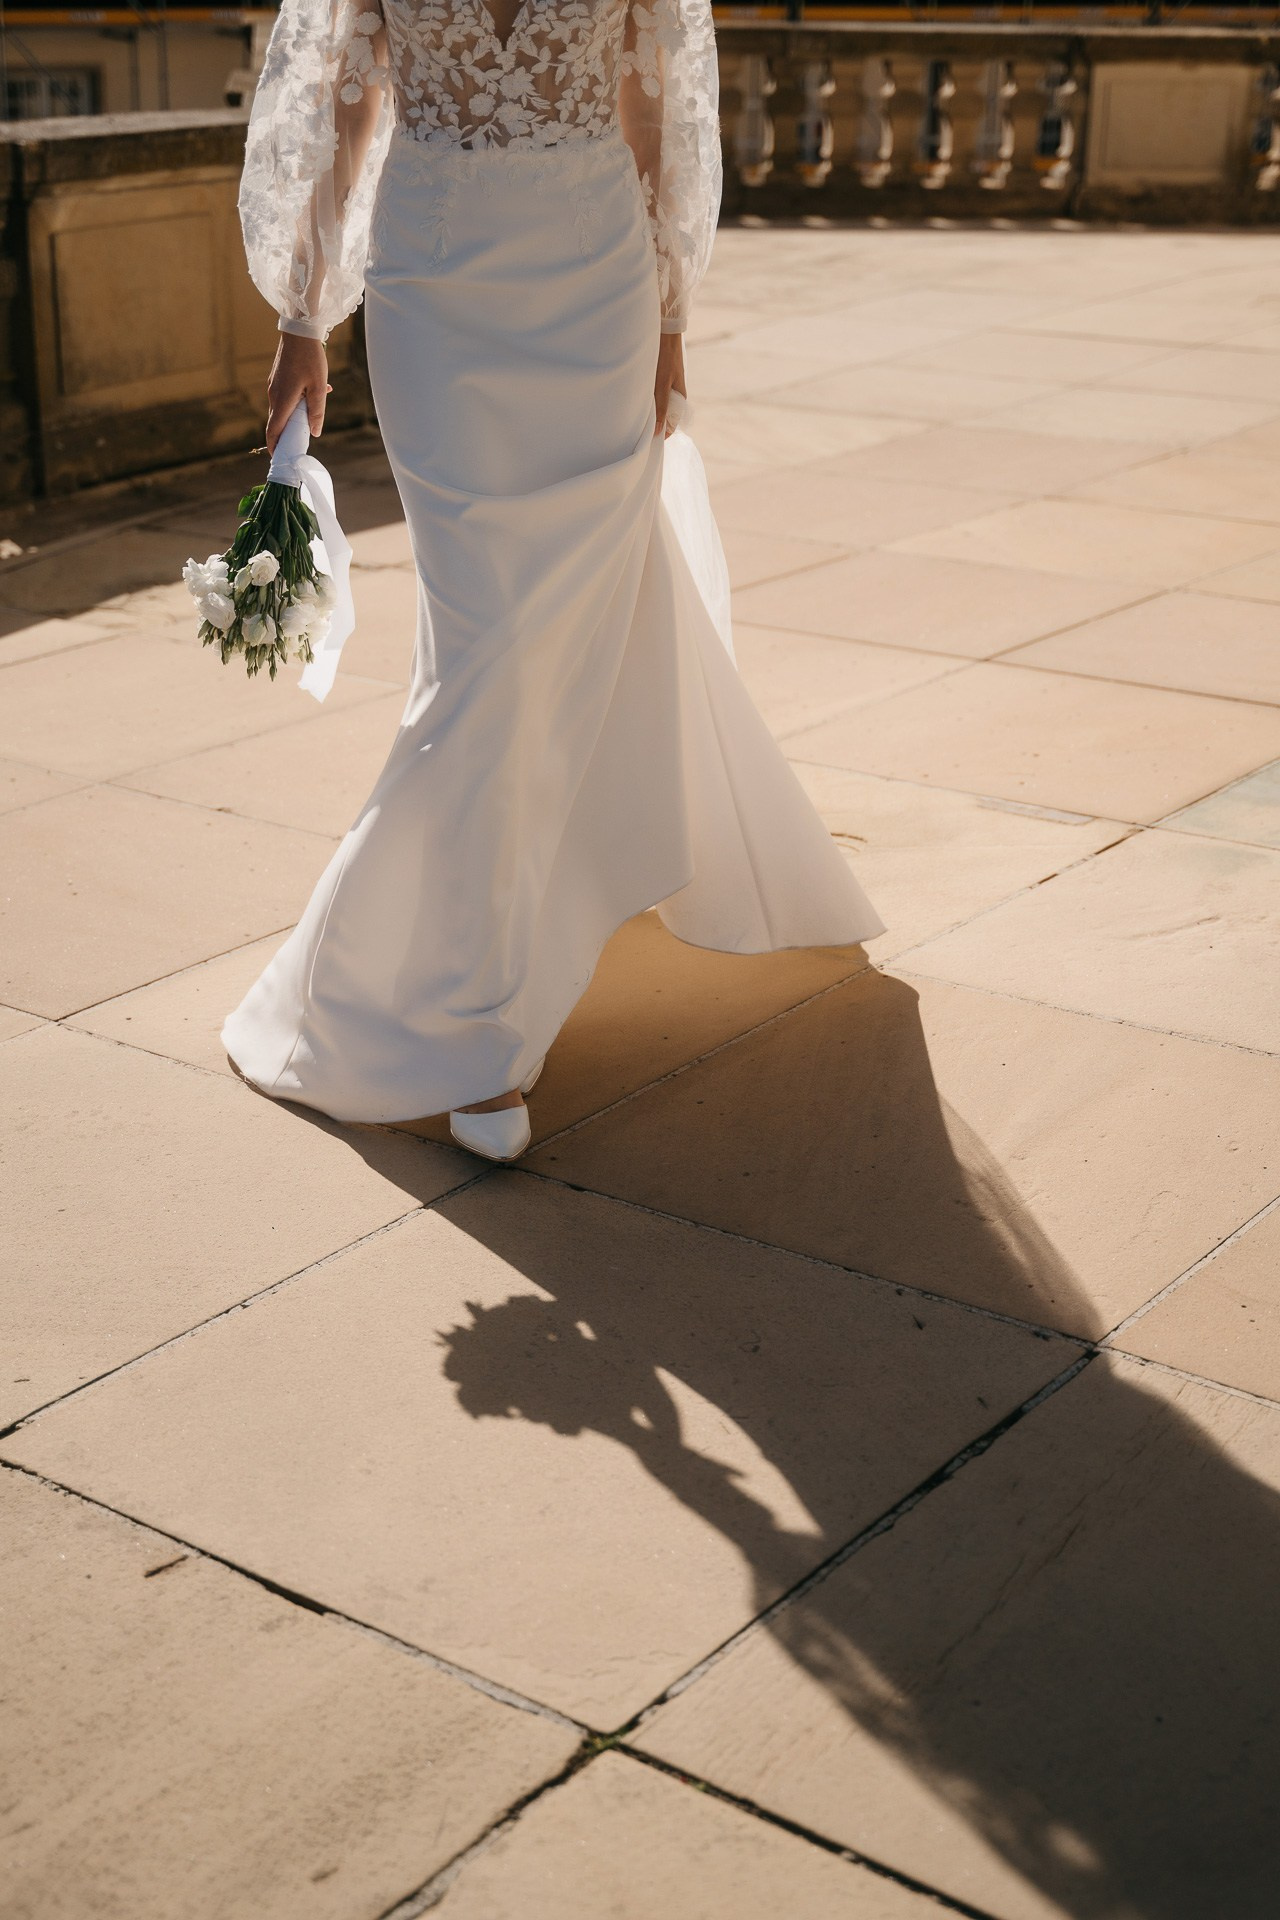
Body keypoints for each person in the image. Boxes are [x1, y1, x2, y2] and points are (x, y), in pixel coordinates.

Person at [222, 0, 883, 1162]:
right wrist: (302, 315)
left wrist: (670, 314)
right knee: (487, 642)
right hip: (432, 284)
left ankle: (502, 962)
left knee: (551, 625)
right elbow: (339, 95)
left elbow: (657, 105)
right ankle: (471, 1017)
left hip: (595, 282)